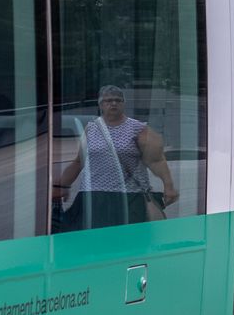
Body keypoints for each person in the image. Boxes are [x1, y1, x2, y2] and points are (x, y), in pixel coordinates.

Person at [52, 85, 177, 229]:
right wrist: (62, 185)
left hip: (128, 197)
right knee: (92, 243)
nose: (113, 103)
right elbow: (79, 162)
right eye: (108, 101)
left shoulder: (138, 129)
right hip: (94, 197)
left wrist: (169, 186)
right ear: (100, 105)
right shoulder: (91, 128)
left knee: (128, 242)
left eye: (118, 100)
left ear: (124, 103)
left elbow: (157, 160)